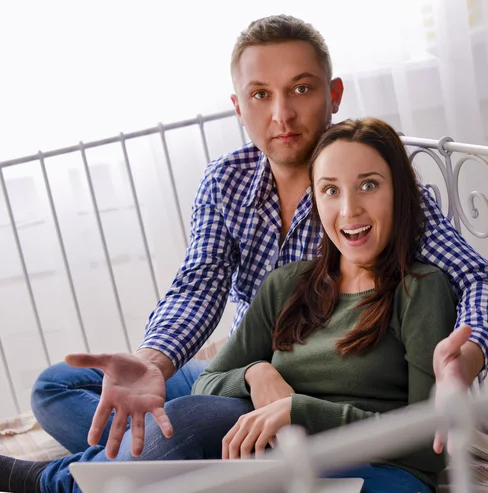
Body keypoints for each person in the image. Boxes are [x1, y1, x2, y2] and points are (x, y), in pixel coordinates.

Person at [30, 13, 488, 463]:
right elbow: (199, 287)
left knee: (191, 426)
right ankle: (156, 464)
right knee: (54, 386)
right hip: (240, 372)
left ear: (334, 93)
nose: (282, 114)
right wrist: (155, 361)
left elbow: (479, 281)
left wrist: (464, 361)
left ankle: (91, 475)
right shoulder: (226, 181)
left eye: (301, 89)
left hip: (317, 394)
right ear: (238, 106)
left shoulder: (372, 186)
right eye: (261, 95)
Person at [1, 117, 459, 493]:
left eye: (369, 185)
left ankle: (55, 482)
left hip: (371, 465)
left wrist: (299, 410)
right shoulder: (289, 285)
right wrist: (256, 373)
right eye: (331, 190)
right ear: (315, 201)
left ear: (399, 191)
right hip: (269, 445)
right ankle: (99, 474)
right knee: (190, 418)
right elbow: (212, 382)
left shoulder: (422, 289)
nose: (350, 210)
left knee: (193, 427)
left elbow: (425, 443)